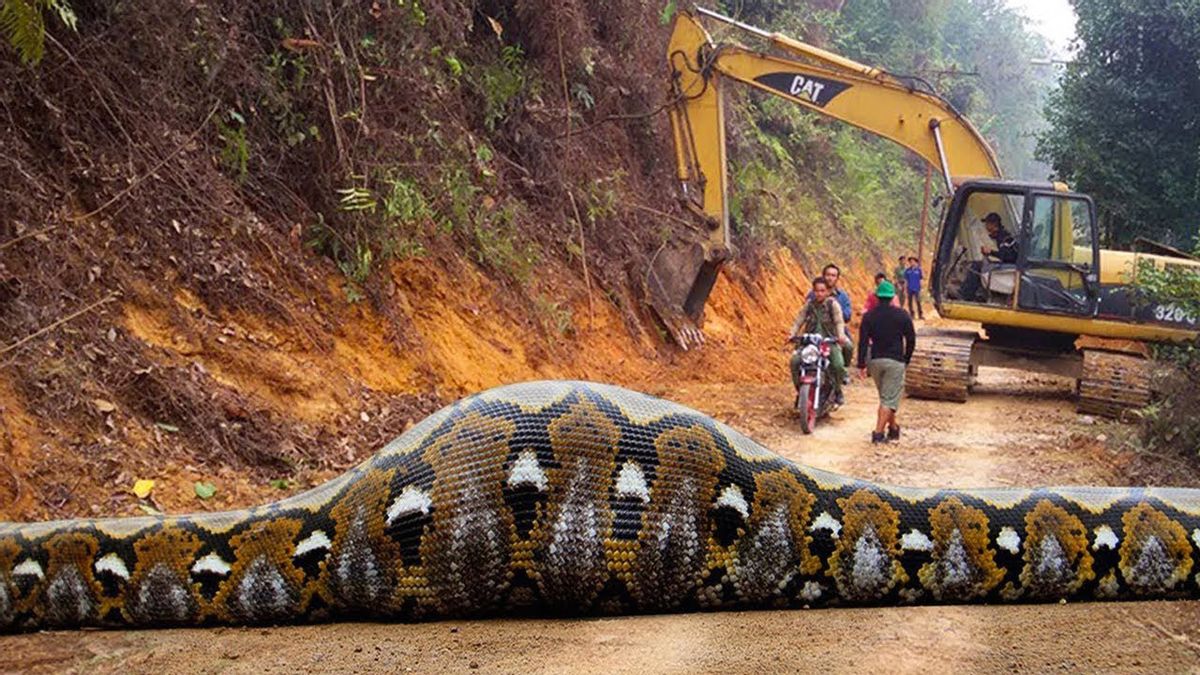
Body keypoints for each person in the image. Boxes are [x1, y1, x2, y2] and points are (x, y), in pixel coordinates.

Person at [857, 280, 916, 444]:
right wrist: (907, 359)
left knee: (886, 397)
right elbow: (911, 339)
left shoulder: (869, 316)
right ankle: (878, 434)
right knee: (888, 399)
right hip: (894, 361)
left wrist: (861, 364)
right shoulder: (902, 315)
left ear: (877, 297)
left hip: (875, 361)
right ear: (892, 297)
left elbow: (862, 342)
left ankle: (894, 429)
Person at [791, 276, 850, 405]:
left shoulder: (833, 305)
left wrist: (840, 335)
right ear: (813, 291)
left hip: (829, 342)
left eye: (822, 290)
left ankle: (837, 390)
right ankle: (800, 392)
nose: (819, 293)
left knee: (838, 365)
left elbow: (839, 321)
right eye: (817, 290)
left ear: (827, 292)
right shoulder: (809, 304)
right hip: (810, 343)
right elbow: (799, 320)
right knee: (795, 362)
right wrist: (792, 334)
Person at [807, 264, 853, 382]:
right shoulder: (813, 294)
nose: (830, 278)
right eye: (827, 275)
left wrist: (834, 310)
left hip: (836, 332)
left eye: (833, 275)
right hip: (815, 331)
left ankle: (843, 369)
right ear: (823, 276)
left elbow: (848, 315)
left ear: (837, 278)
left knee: (848, 346)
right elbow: (805, 313)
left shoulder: (842, 296)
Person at [958, 212, 1019, 302]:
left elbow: (1007, 256)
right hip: (1008, 264)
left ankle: (965, 295)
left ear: (993, 224)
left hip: (1009, 267)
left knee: (977, 266)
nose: (986, 227)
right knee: (980, 264)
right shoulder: (1000, 235)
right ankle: (975, 293)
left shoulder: (1004, 238)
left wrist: (990, 252)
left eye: (987, 224)